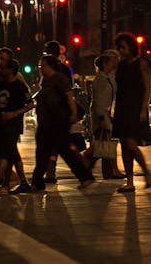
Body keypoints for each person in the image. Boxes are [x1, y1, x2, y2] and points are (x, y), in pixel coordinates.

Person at [31, 54, 94, 191]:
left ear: (51, 66)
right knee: (44, 152)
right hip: (47, 123)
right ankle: (37, 182)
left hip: (57, 122)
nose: (41, 69)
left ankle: (85, 176)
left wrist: (73, 113)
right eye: (40, 66)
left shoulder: (59, 78)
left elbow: (69, 96)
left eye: (43, 66)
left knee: (62, 151)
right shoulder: (46, 81)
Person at [112, 33, 151, 193]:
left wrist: (144, 108)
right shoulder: (121, 65)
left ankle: (146, 171)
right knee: (124, 145)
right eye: (119, 48)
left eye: (123, 47)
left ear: (131, 47)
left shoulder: (141, 63)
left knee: (131, 143)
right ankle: (129, 181)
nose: (121, 50)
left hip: (135, 107)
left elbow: (147, 87)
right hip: (122, 107)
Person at [0, 47, 30, 191]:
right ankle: (18, 181)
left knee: (8, 152)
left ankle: (6, 182)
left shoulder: (16, 78)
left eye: (3, 59)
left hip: (10, 122)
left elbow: (25, 100)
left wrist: (14, 114)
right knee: (9, 153)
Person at [83, 52, 124, 179]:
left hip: (109, 114)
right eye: (112, 61)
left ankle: (109, 170)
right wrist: (102, 117)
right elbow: (98, 100)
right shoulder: (100, 80)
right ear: (105, 64)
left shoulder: (109, 77)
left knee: (106, 144)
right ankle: (87, 167)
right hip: (102, 115)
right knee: (102, 145)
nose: (114, 63)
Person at [43, 40, 72, 183]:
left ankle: (50, 171)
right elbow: (70, 90)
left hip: (53, 112)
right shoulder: (64, 69)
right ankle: (49, 171)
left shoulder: (50, 69)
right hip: (62, 111)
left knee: (55, 145)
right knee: (59, 144)